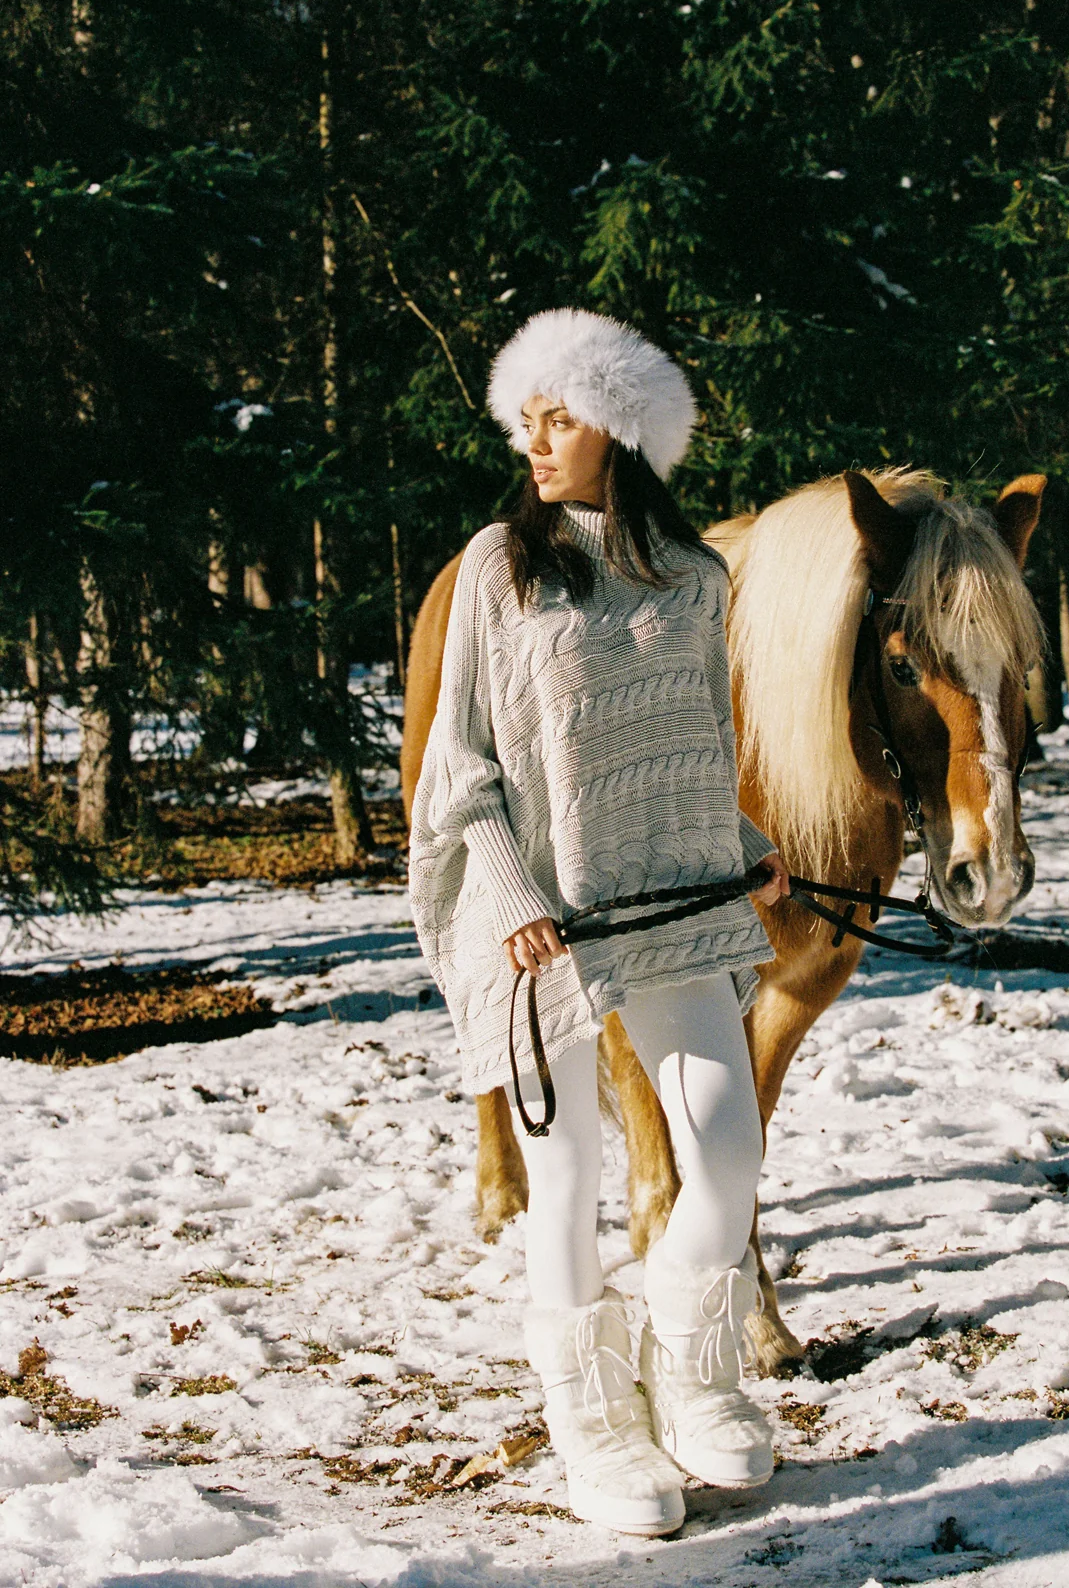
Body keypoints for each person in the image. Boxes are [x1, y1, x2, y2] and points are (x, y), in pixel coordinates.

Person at [409, 307, 789, 1537]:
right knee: (566, 1173)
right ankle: (590, 1417)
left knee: (727, 1153)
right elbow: (458, 765)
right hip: (538, 913)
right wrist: (511, 897)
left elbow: (698, 749)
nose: (536, 440)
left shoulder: (696, 579)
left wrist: (743, 849)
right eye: (527, 418)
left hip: (671, 895)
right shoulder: (498, 567)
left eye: (559, 416)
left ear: (621, 427)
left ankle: (687, 1355)